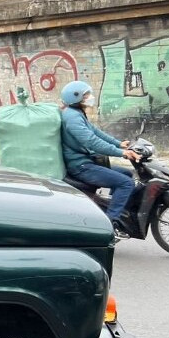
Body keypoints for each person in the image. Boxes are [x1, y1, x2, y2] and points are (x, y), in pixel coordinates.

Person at [59, 80, 140, 235]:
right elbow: (92, 141)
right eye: (86, 95)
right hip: (81, 166)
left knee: (126, 174)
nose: (90, 97)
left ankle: (112, 207)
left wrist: (119, 144)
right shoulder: (72, 118)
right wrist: (121, 153)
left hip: (87, 162)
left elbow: (96, 132)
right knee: (126, 183)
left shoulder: (77, 113)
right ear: (75, 97)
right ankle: (110, 225)